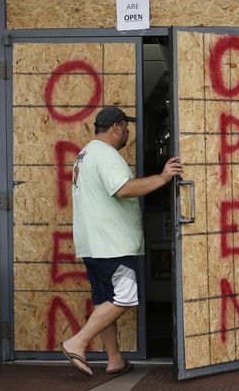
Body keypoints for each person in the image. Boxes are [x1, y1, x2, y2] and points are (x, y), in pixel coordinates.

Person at [60, 105, 182, 376]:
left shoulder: (86, 154)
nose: (128, 132)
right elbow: (123, 189)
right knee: (124, 298)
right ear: (116, 127)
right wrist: (163, 177)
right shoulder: (107, 155)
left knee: (105, 299)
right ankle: (77, 342)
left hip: (94, 244)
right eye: (126, 127)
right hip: (112, 244)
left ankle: (114, 358)